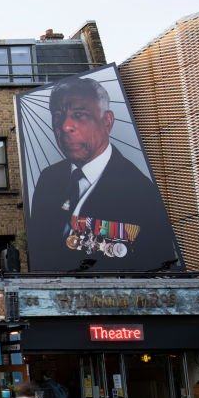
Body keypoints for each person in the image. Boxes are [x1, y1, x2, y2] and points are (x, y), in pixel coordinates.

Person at [28, 76, 180, 272]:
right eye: (58, 115)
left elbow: (158, 263)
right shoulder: (49, 179)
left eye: (80, 114)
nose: (65, 126)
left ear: (107, 121)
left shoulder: (139, 189)